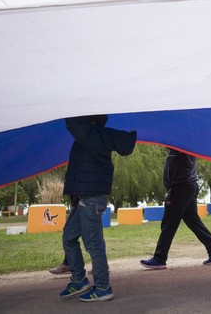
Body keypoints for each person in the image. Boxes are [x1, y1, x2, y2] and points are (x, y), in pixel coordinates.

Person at [59, 115, 136, 302]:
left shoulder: (89, 134)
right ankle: (78, 279)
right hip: (86, 196)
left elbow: (72, 122)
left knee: (93, 243)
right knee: (69, 236)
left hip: (91, 198)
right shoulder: (100, 135)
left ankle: (103, 286)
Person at [140, 148, 211, 269]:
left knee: (169, 223)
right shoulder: (187, 144)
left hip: (180, 187)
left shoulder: (182, 144)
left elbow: (168, 142)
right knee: (193, 221)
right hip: (188, 185)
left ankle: (159, 258)